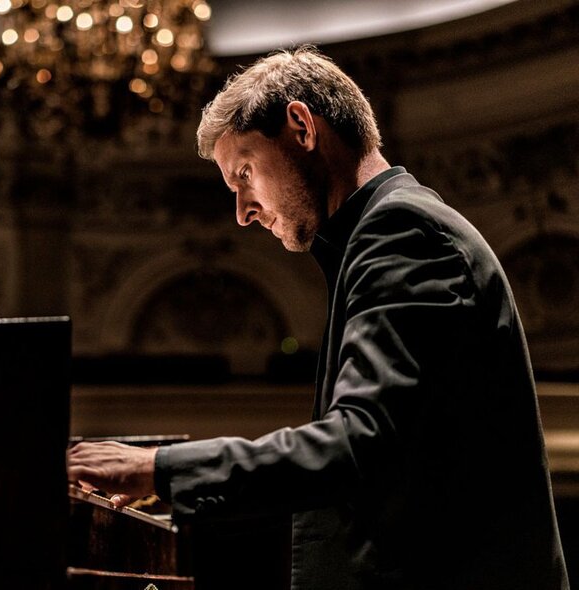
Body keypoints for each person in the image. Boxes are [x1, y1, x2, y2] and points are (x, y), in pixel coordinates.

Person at [67, 46, 569, 589]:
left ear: (302, 128)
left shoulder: (403, 231)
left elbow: (359, 442)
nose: (242, 213)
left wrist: (159, 469)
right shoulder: (384, 235)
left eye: (245, 174)